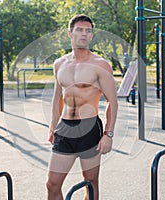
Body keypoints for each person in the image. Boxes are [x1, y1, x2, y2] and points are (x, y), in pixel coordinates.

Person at [46, 14, 118, 200]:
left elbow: (112, 101)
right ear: (70, 33)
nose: (84, 34)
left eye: (88, 31)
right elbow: (57, 99)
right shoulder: (59, 64)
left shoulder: (100, 65)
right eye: (79, 30)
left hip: (89, 127)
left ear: (92, 36)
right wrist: (53, 126)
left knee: (91, 182)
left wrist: (108, 134)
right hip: (64, 128)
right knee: (52, 183)